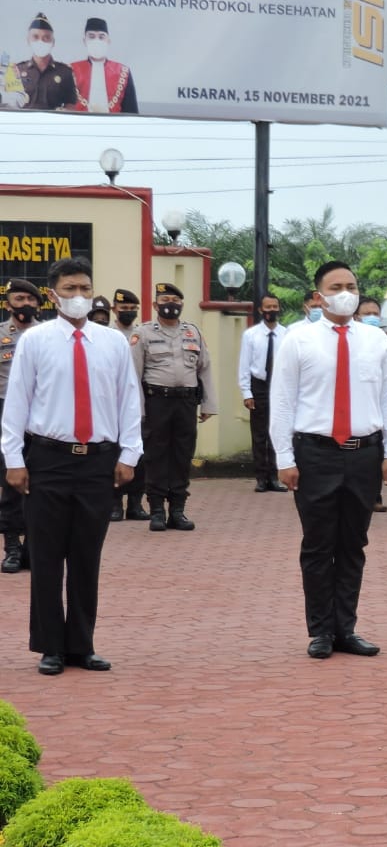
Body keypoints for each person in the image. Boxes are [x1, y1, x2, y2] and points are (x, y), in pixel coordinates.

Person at [1, 257, 141, 674]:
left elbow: (128, 401)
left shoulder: (113, 342)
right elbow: (17, 403)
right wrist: (13, 459)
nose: (78, 297)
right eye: (70, 289)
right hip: (48, 459)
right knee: (46, 555)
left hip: (98, 460)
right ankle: (50, 646)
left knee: (86, 555)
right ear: (52, 294)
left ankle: (82, 644)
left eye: (84, 288)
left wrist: (129, 454)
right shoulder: (36, 341)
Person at [270, 260, 387, 659]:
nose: (346, 292)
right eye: (336, 286)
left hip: (364, 454)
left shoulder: (376, 340)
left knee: (352, 544)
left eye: (352, 284)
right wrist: (284, 458)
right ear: (318, 296)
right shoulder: (299, 340)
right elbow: (282, 401)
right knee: (318, 544)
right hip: (315, 454)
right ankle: (320, 631)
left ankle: (346, 628)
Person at [131, 282, 217, 532]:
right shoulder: (143, 333)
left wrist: (208, 404)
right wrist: (139, 409)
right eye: (165, 300)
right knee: (156, 456)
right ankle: (157, 509)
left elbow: (206, 368)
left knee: (182, 455)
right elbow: (133, 374)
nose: (171, 304)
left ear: (182, 304)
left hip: (186, 402)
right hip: (156, 400)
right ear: (156, 305)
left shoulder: (193, 332)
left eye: (176, 300)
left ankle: (177, 510)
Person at [1, 279, 44, 574]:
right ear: (7, 304)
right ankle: (12, 546)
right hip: (5, 413)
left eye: (31, 299)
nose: (25, 304)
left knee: (42, 485)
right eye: (19, 298)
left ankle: (33, 546)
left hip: (43, 417)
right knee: (11, 483)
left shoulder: (48, 336)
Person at [239, 293, 288, 493]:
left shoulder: (287, 334)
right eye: (267, 307)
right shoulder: (250, 335)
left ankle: (275, 477)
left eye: (274, 306)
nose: (271, 311)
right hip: (258, 386)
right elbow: (244, 365)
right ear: (260, 310)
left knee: (277, 432)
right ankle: (261, 478)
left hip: (279, 386)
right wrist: (246, 393)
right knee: (259, 435)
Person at [107, 288, 147, 519]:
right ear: (114, 309)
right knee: (113, 454)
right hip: (111, 404)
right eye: (124, 309)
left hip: (138, 403)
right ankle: (114, 504)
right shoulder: (106, 334)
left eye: (133, 309)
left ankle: (135, 503)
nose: (128, 312)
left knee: (139, 455)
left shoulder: (142, 335)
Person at [357, 297, 387, 511]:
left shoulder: (384, 341)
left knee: (376, 452)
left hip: (378, 406)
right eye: (366, 313)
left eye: (375, 314)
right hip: (358, 405)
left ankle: (375, 496)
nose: (372, 318)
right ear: (356, 316)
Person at [4, 14, 78, 110]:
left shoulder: (65, 72)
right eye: (35, 37)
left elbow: (71, 104)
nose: (41, 41)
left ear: (53, 42)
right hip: (24, 123)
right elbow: (10, 103)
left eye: (46, 37)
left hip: (54, 123)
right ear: (28, 40)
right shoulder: (17, 70)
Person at [69, 17, 138, 114]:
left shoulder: (123, 72)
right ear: (84, 41)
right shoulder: (71, 70)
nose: (96, 41)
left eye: (101, 37)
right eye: (91, 37)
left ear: (108, 41)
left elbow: (131, 112)